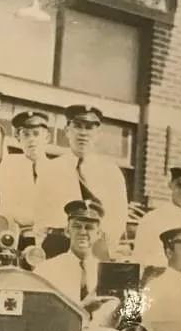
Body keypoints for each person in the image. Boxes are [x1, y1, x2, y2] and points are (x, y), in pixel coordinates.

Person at [37, 105, 129, 260]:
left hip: (96, 246)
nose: (83, 133)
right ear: (67, 131)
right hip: (58, 245)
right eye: (78, 126)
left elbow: (118, 219)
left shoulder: (111, 173)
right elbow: (40, 216)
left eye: (89, 128)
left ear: (98, 134)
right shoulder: (50, 169)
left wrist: (105, 250)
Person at [36, 198, 106, 304]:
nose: (82, 232)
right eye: (77, 226)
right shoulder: (47, 270)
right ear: (67, 231)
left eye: (89, 227)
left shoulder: (104, 273)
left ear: (99, 234)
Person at [132, 166, 181, 269]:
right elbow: (139, 256)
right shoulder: (153, 218)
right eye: (179, 185)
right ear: (170, 185)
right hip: (160, 275)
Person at [0, 110, 51, 232]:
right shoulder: (9, 164)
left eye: (36, 134)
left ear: (47, 137)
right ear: (18, 138)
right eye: (26, 134)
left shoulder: (57, 169)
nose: (31, 139)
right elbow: (8, 207)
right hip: (15, 231)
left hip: (48, 233)